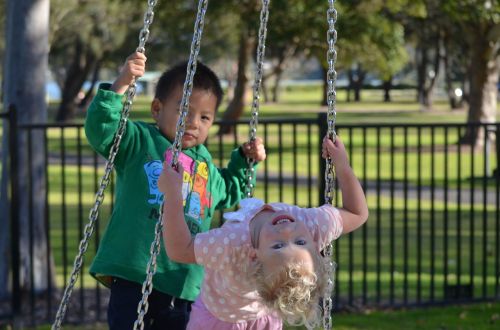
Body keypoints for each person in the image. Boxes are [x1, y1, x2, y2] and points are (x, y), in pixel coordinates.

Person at [84, 52, 266, 330]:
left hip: (184, 283)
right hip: (135, 273)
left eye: (205, 117)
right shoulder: (139, 142)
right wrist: (121, 84)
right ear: (157, 109)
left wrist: (245, 159)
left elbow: (231, 191)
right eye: (185, 111)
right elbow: (102, 129)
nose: (194, 122)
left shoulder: (204, 166)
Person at [159, 135, 369, 329]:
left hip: (220, 321)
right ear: (315, 243)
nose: (287, 231)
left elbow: (180, 249)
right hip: (245, 315)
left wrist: (173, 194)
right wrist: (342, 165)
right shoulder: (312, 226)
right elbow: (357, 213)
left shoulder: (232, 244)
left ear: (253, 254)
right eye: (300, 242)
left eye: (278, 246)